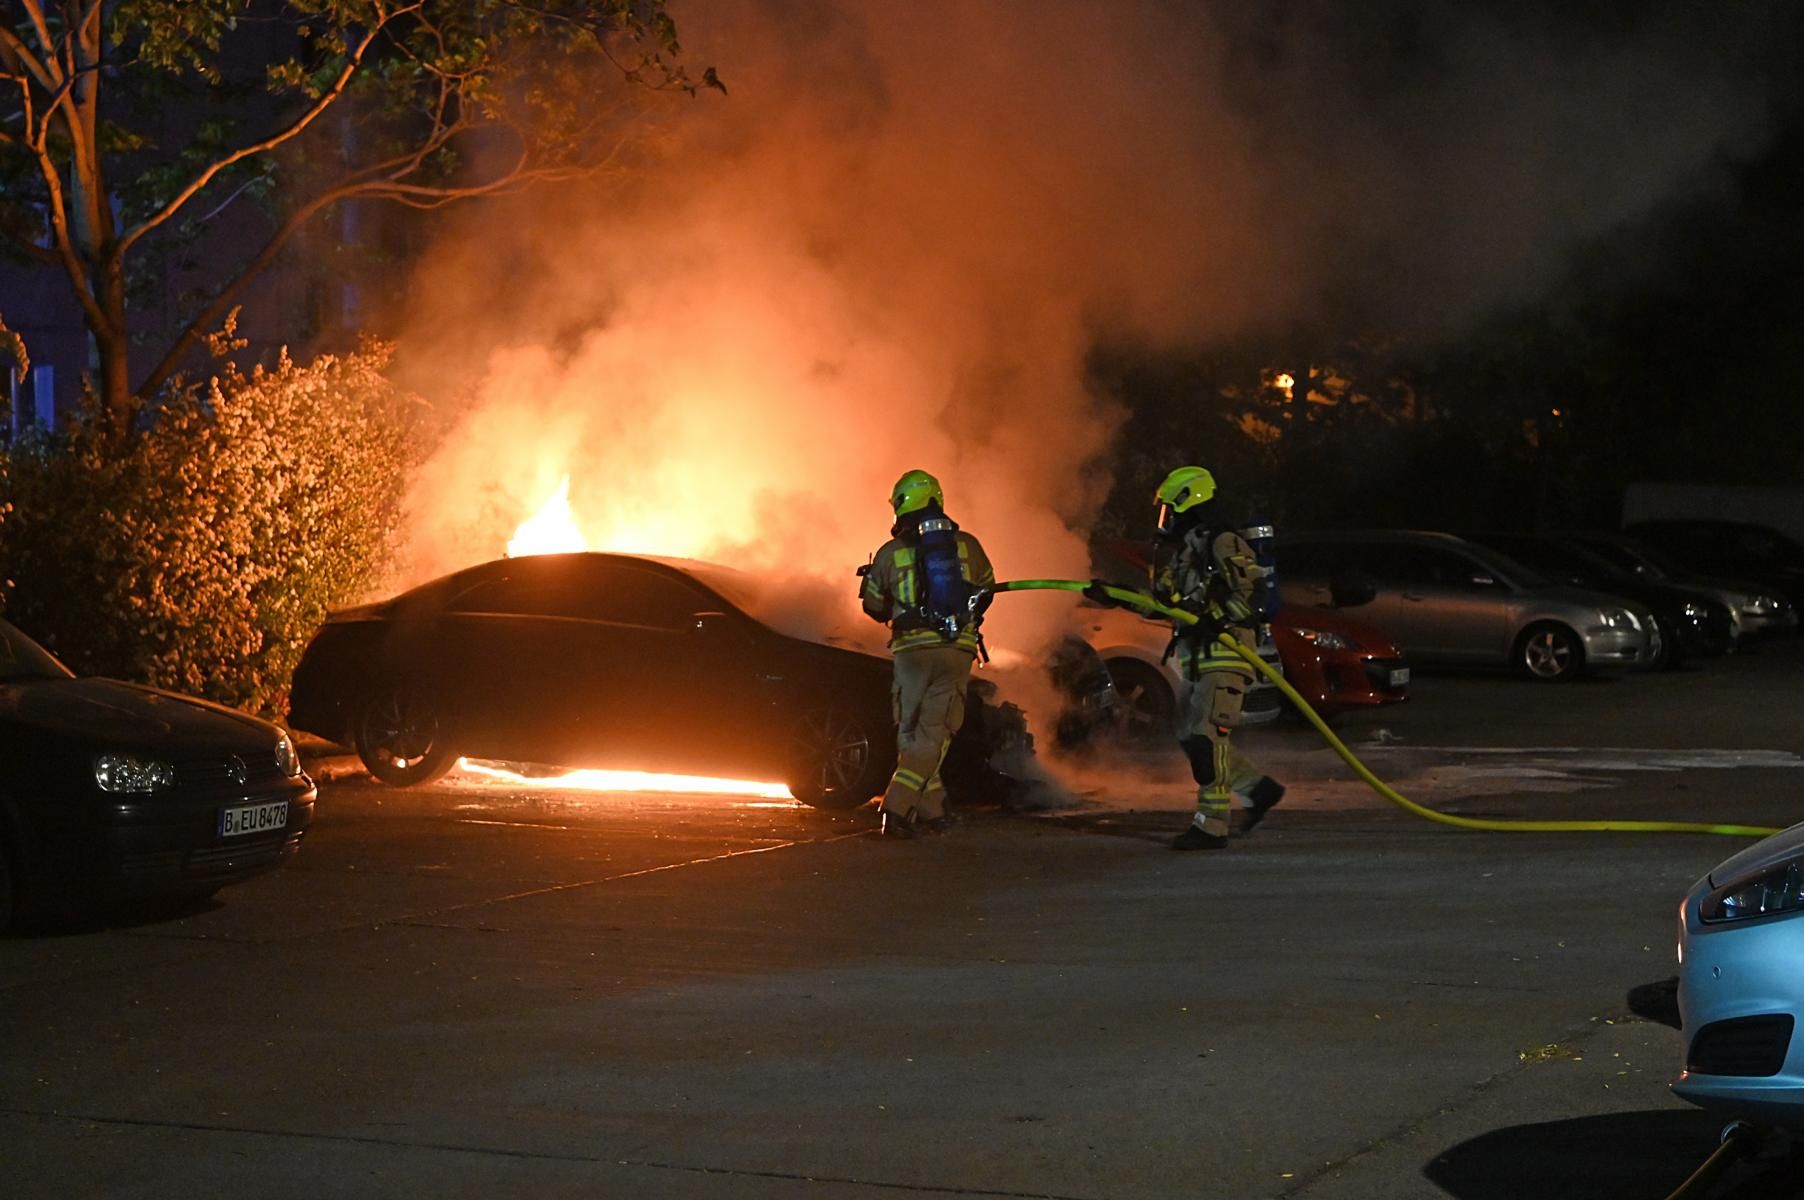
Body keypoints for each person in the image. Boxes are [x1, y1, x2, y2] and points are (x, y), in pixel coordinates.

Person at [1148, 466, 1285, 850]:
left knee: (1207, 739)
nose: (1167, 519)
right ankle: (1260, 790)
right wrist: (1112, 595)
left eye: (1170, 509)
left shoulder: (1224, 543)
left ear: (1190, 500)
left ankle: (1211, 827)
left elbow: (1252, 594)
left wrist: (1218, 619)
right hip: (1199, 658)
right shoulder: (1189, 553)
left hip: (1226, 654)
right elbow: (1164, 602)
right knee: (1191, 737)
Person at [860, 469, 996, 839]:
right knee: (932, 733)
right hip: (956, 650)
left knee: (911, 731)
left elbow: (873, 606)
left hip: (911, 653)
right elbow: (987, 589)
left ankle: (899, 806)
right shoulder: (967, 545)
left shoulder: (889, 554)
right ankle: (929, 811)